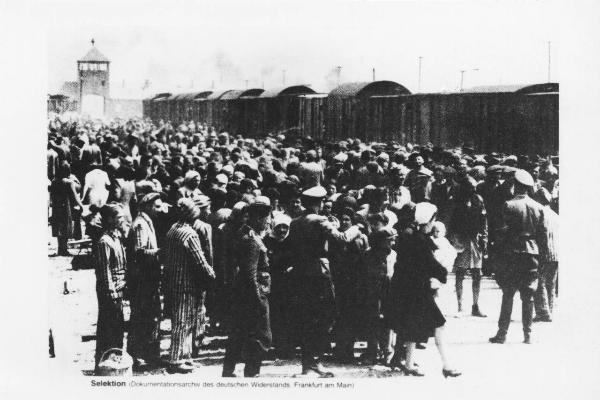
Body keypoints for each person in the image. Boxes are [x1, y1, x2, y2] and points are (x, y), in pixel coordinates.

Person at [287, 186, 362, 377]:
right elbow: (342, 239)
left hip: (300, 274)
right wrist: (356, 227)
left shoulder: (295, 222)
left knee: (307, 318)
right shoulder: (320, 220)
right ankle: (314, 362)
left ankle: (308, 364)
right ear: (318, 203)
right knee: (324, 317)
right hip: (319, 274)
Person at [387, 202, 461, 377]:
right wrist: (443, 273)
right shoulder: (418, 239)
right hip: (417, 292)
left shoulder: (411, 235)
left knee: (412, 327)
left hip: (409, 290)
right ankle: (446, 365)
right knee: (439, 324)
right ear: (427, 221)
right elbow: (430, 264)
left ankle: (409, 364)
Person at [489, 170, 545, 345]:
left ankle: (502, 333)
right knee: (528, 296)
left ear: (516, 186)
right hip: (532, 253)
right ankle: (527, 334)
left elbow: (502, 232)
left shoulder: (508, 205)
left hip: (511, 252)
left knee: (508, 293)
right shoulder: (538, 207)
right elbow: (542, 235)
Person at [221, 197, 273, 377]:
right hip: (253, 293)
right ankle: (252, 372)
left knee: (239, 331)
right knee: (260, 335)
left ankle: (228, 370)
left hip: (243, 293)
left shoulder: (244, 233)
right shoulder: (251, 240)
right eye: (266, 218)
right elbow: (250, 273)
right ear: (259, 218)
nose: (268, 222)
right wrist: (258, 299)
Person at [163, 198, 216, 373]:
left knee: (183, 321)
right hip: (186, 284)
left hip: (174, 282)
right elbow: (200, 261)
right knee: (183, 323)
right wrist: (211, 275)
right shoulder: (190, 234)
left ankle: (185, 356)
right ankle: (176, 359)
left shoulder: (172, 229)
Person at [127, 193, 164, 369]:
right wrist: (159, 253)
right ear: (148, 206)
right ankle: (137, 355)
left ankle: (149, 354)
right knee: (141, 317)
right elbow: (139, 252)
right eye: (157, 206)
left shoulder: (147, 222)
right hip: (142, 279)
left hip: (149, 278)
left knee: (150, 316)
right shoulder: (140, 224)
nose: (160, 210)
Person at [94, 203, 128, 371]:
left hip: (119, 289)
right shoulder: (104, 241)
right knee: (108, 328)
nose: (122, 219)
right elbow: (104, 270)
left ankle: (115, 362)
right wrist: (111, 293)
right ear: (109, 219)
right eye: (119, 217)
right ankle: (103, 365)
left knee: (117, 328)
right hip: (110, 292)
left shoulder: (117, 237)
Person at [449, 176, 488, 317]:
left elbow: (484, 221)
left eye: (474, 187)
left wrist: (484, 238)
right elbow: (452, 224)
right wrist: (454, 241)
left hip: (475, 240)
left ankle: (475, 306)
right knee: (460, 273)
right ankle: (460, 307)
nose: (473, 189)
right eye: (470, 187)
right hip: (461, 240)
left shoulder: (478, 200)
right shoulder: (457, 202)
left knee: (477, 274)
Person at [363, 226, 397, 365]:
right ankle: (372, 352)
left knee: (388, 322)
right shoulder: (368, 254)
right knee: (372, 321)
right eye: (390, 240)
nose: (392, 243)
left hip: (389, 291)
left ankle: (387, 352)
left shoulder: (393, 254)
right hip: (372, 292)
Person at [263, 213, 295, 358]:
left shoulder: (293, 241)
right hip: (273, 283)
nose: (282, 230)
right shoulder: (268, 241)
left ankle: (287, 347)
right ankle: (273, 346)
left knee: (288, 315)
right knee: (274, 316)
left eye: (285, 227)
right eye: (279, 227)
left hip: (289, 284)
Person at [533, 193, 559, 322]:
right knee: (551, 284)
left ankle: (543, 312)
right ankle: (550, 310)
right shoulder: (556, 215)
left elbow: (540, 234)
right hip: (557, 253)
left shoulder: (539, 213)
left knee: (539, 282)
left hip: (545, 252)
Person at [49, 161, 84, 256]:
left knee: (58, 227)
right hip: (65, 206)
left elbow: (51, 195)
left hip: (57, 206)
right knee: (65, 226)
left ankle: (61, 248)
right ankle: (63, 249)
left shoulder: (54, 181)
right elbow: (75, 196)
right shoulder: (69, 182)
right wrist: (81, 206)